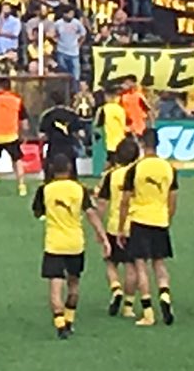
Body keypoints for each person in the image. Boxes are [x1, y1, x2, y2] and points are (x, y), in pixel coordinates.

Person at [32, 152, 103, 339]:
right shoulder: (79, 189)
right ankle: (69, 320)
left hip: (54, 245)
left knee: (55, 290)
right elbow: (91, 214)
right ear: (70, 168)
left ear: (52, 169)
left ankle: (60, 323)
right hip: (75, 244)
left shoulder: (44, 190)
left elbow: (37, 212)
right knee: (73, 285)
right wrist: (102, 236)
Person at [116, 129, 178, 327]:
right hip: (160, 220)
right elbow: (172, 199)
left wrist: (120, 228)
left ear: (142, 144)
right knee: (159, 264)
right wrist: (167, 218)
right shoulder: (168, 168)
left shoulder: (135, 169)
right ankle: (165, 294)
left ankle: (148, 312)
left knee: (141, 266)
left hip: (140, 220)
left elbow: (125, 201)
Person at [95, 135, 140, 317]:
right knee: (132, 267)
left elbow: (102, 204)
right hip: (136, 225)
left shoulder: (110, 176)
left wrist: (99, 228)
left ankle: (116, 288)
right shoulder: (139, 174)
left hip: (114, 225)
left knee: (110, 262)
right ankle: (129, 306)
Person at [0, 77, 26, 195]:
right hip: (12, 135)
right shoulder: (17, 99)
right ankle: (21, 185)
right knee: (17, 161)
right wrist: (23, 134)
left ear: (0, 87)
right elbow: (24, 120)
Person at [36, 91, 87, 175]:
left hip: (53, 148)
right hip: (68, 148)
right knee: (71, 173)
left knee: (51, 172)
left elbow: (41, 136)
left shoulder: (47, 115)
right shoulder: (72, 114)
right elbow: (81, 133)